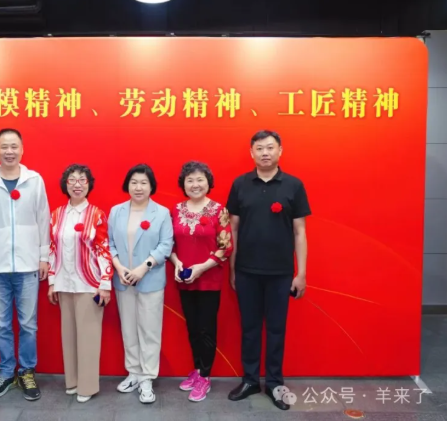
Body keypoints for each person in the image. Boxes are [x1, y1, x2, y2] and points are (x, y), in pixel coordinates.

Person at [225, 130, 311, 410]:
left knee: (276, 329)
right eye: (259, 148)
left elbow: (300, 232)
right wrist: (233, 268)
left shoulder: (293, 185)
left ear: (280, 151)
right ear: (251, 153)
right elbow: (233, 229)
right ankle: (250, 380)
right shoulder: (240, 184)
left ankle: (274, 382)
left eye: (270, 147)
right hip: (247, 271)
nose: (265, 153)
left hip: (280, 273)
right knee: (249, 328)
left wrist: (301, 273)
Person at [0, 128, 50, 402]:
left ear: (22, 149)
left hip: (27, 265)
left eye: (14, 146)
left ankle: (26, 372)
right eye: (4, 146)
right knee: (1, 324)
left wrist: (43, 257)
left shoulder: (34, 180)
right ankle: (5, 372)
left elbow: (43, 219)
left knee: (28, 324)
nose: (9, 151)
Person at [47, 164, 113, 403]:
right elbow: (52, 249)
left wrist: (104, 283)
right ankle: (72, 381)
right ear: (65, 185)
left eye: (82, 180)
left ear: (89, 185)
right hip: (64, 283)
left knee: (88, 337)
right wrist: (52, 282)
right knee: (69, 336)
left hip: (89, 284)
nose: (77, 184)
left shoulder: (96, 214)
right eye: (72, 180)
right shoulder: (56, 214)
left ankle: (87, 386)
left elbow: (104, 249)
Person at [108, 164, 173, 404]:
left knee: (149, 330)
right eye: (134, 182)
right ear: (127, 185)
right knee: (129, 328)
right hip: (123, 279)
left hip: (150, 279)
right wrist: (119, 267)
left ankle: (147, 377)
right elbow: (109, 243)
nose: (138, 187)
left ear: (151, 186)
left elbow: (166, 245)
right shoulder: (116, 211)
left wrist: (144, 267)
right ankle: (133, 372)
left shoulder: (162, 213)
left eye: (143, 183)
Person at [169, 161, 233, 402]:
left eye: (200, 180)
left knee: (206, 329)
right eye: (190, 180)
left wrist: (202, 268)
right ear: (183, 184)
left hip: (209, 279)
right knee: (193, 327)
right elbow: (169, 244)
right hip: (184, 278)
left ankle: (205, 376)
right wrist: (177, 263)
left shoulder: (219, 210)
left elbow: (226, 247)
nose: (195, 185)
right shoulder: (176, 210)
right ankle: (197, 369)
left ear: (208, 183)